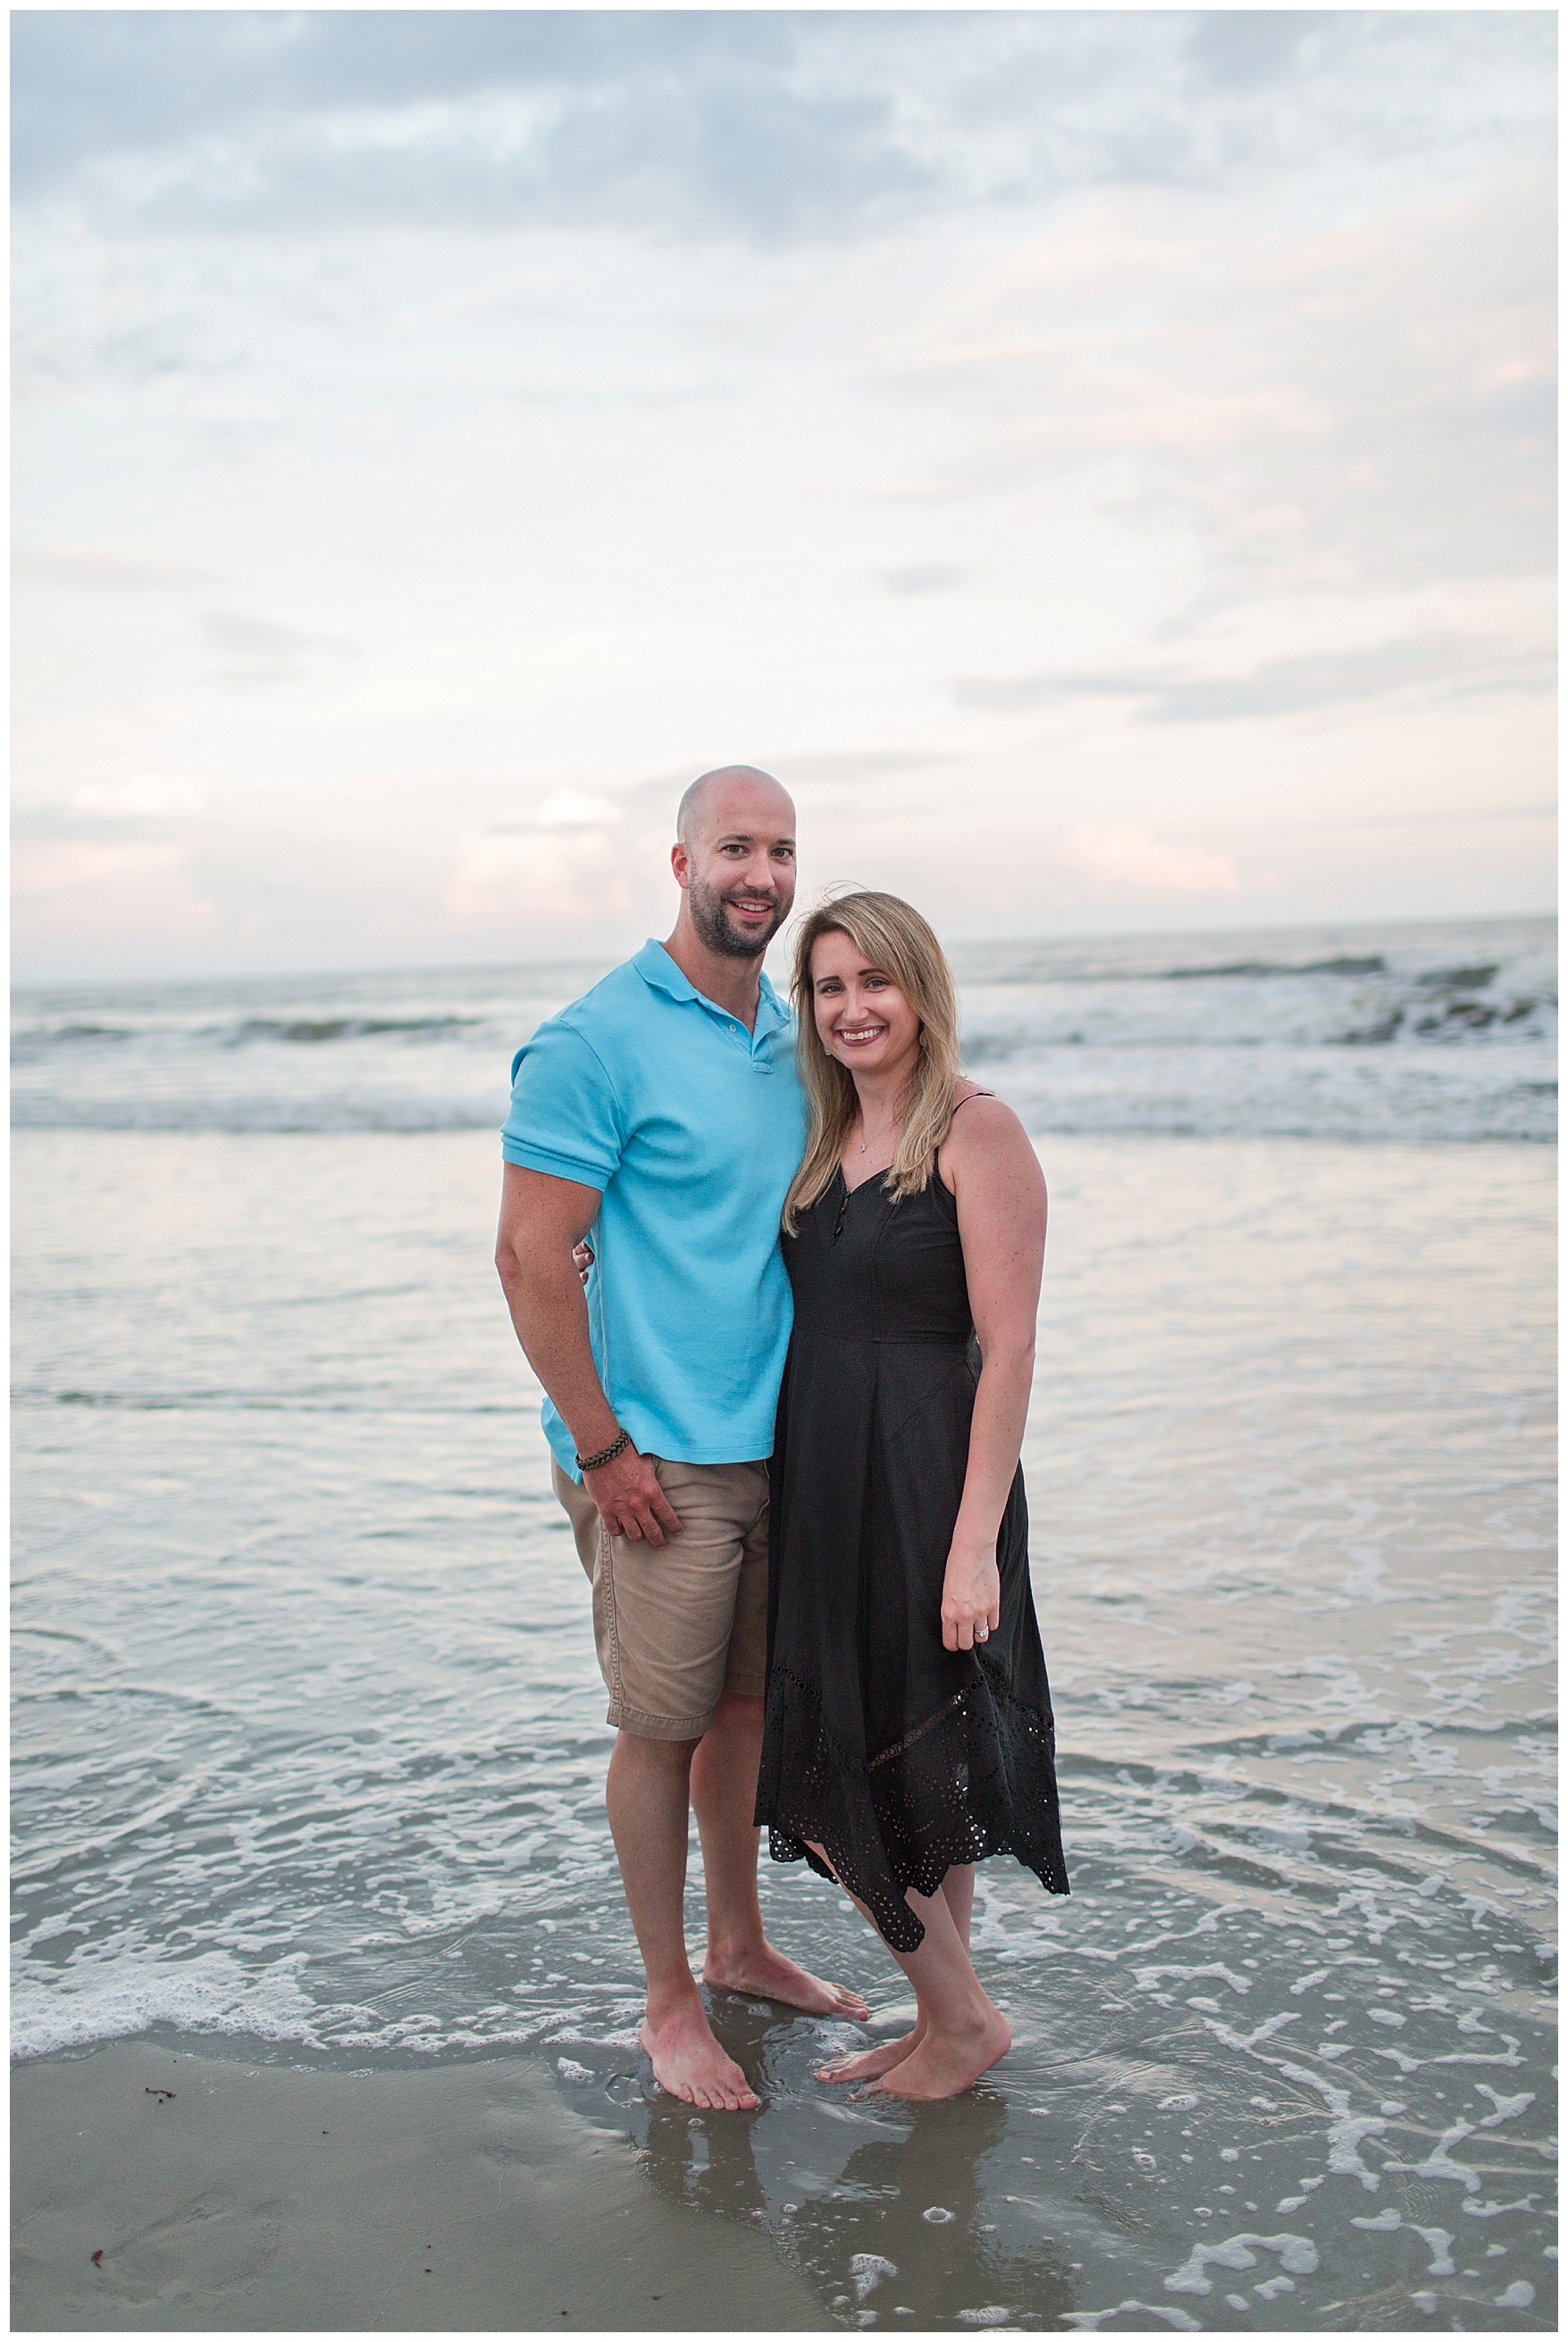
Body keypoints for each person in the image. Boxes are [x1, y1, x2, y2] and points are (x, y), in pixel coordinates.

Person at [494, 766, 868, 2116]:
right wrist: (603, 1449)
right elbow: (532, 1259)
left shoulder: (787, 1030)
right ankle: (667, 2005)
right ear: (679, 862)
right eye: (734, 847)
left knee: (744, 1715)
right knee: (658, 1728)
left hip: (776, 1440)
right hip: (654, 1453)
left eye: (779, 849)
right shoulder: (592, 1040)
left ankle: (740, 1944)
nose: (760, 873)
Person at [754, 889, 1069, 2101]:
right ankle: (949, 2016)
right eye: (828, 987)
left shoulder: (977, 1130)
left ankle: (961, 2015)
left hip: (933, 1482)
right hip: (828, 1476)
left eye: (872, 981)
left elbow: (1014, 1344)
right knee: (897, 1760)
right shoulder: (822, 1133)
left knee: (845, 1774)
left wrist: (974, 1543)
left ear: (919, 988)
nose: (850, 1008)